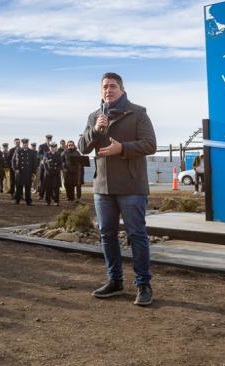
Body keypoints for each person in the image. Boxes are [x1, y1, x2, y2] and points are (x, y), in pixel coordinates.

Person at [79, 72, 156, 306]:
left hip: (131, 186)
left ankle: (143, 284)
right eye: (104, 86)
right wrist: (95, 130)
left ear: (122, 89)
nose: (108, 90)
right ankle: (115, 281)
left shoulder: (138, 113)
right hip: (103, 187)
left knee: (137, 235)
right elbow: (83, 147)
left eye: (113, 86)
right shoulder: (95, 116)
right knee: (107, 235)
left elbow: (150, 144)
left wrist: (121, 149)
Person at [12, 137, 37, 205]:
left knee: (28, 187)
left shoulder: (32, 152)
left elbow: (34, 163)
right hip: (20, 172)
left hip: (28, 172)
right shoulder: (18, 151)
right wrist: (15, 169)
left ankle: (28, 201)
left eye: (26, 143)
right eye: (24, 143)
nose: (25, 144)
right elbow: (13, 161)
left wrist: (33, 173)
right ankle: (17, 200)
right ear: (22, 144)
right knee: (19, 187)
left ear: (28, 144)